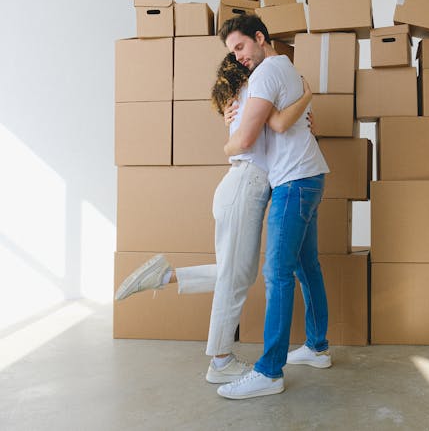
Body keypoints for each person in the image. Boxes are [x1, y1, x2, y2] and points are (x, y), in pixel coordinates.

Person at [114, 51, 312, 385]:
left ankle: (165, 276)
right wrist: (306, 97)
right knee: (236, 279)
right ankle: (220, 360)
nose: (254, 62)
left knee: (240, 274)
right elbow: (270, 128)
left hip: (243, 186)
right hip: (244, 186)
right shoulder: (252, 94)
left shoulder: (242, 99)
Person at [214, 14, 331, 400]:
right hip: (309, 175)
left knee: (276, 272)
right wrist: (308, 98)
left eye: (241, 47)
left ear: (260, 38)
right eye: (233, 52)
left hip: (293, 181)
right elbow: (281, 123)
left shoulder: (266, 73)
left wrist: (227, 146)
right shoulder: (286, 69)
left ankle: (268, 371)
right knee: (305, 265)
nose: (238, 57)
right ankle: (316, 347)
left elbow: (249, 137)